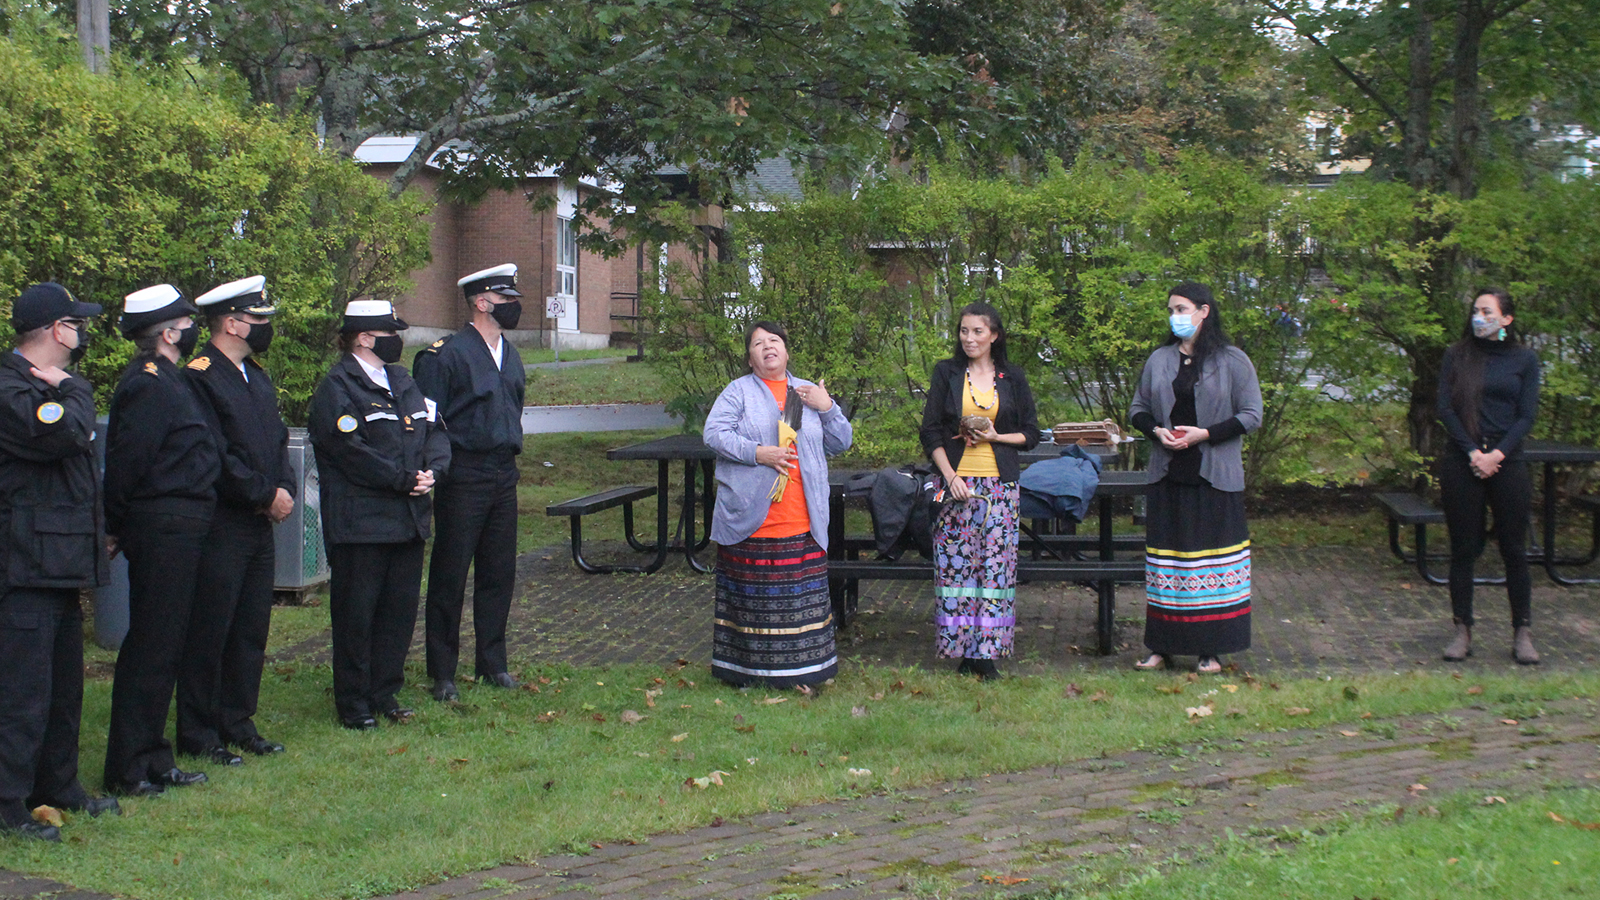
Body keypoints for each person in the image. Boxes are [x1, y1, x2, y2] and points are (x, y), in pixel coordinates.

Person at [0, 283, 119, 841]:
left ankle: (58, 784)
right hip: (24, 563)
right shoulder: (10, 386)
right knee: (21, 690)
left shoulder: (44, 386)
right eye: (78, 322)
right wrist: (76, 388)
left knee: (62, 685)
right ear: (55, 329)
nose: (83, 332)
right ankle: (8, 800)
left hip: (59, 560)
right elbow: (66, 434)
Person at [309, 301, 451, 729]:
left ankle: (384, 692)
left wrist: (433, 472)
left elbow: (435, 430)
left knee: (397, 613)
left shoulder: (401, 379)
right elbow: (351, 453)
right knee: (357, 615)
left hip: (406, 521)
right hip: (362, 525)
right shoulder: (338, 386)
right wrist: (402, 478)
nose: (398, 339)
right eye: (390, 332)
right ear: (364, 338)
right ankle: (353, 703)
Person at [102, 285, 220, 796]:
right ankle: (128, 766)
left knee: (168, 646)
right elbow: (128, 463)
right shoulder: (148, 384)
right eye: (187, 322)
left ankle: (155, 757)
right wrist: (115, 524)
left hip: (185, 522)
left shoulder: (171, 380)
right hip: (162, 523)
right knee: (152, 645)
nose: (193, 329)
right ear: (169, 332)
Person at [178, 275, 292, 764]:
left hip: (259, 522)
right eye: (257, 319)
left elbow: (276, 439)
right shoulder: (201, 375)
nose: (265, 327)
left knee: (250, 627)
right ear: (230, 323)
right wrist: (264, 494)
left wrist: (283, 487)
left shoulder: (256, 374)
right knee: (212, 627)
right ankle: (199, 732)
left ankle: (237, 719)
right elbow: (215, 454)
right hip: (224, 520)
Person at [703, 321, 853, 689]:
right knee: (754, 603)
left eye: (774, 341)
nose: (767, 347)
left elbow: (841, 442)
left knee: (799, 603)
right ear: (750, 357)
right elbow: (713, 434)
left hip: (803, 518)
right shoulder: (738, 392)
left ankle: (804, 674)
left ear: (786, 351)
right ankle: (748, 674)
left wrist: (828, 406)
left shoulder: (805, 394)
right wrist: (758, 453)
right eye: (758, 343)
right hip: (752, 519)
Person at [1128, 282, 1262, 675]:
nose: (1175, 317)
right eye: (1171, 309)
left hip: (1214, 477)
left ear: (1204, 312)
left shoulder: (1233, 361)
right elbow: (1137, 408)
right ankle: (1161, 646)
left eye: (1182, 309)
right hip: (1168, 475)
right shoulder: (1159, 359)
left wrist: (1204, 434)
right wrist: (1156, 431)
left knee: (1210, 567)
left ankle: (1211, 649)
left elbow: (1252, 415)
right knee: (1167, 566)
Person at [413, 264, 527, 701]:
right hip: (463, 475)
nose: (514, 306)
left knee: (499, 572)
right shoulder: (446, 355)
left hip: (503, 474)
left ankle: (491, 662)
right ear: (482, 302)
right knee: (451, 573)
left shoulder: (511, 355)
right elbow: (428, 422)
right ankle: (442, 671)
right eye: (506, 299)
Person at [919, 302, 1039, 680]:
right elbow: (931, 431)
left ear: (994, 336)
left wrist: (996, 436)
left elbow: (1032, 435)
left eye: (977, 332)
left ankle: (985, 655)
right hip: (956, 485)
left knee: (995, 570)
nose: (969, 339)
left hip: (1000, 487)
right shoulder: (947, 373)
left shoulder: (1013, 377)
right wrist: (949, 475)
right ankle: (962, 652)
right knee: (956, 569)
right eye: (963, 331)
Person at [1436, 288, 1541, 664]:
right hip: (1462, 460)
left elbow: (1527, 415)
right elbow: (1445, 408)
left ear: (1506, 319)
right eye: (1476, 310)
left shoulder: (1524, 359)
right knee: (1464, 548)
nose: (1479, 317)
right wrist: (1472, 452)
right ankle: (1462, 628)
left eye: (1487, 311)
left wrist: (1497, 454)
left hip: (1507, 462)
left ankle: (1522, 631)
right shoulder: (1457, 355)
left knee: (1514, 548)